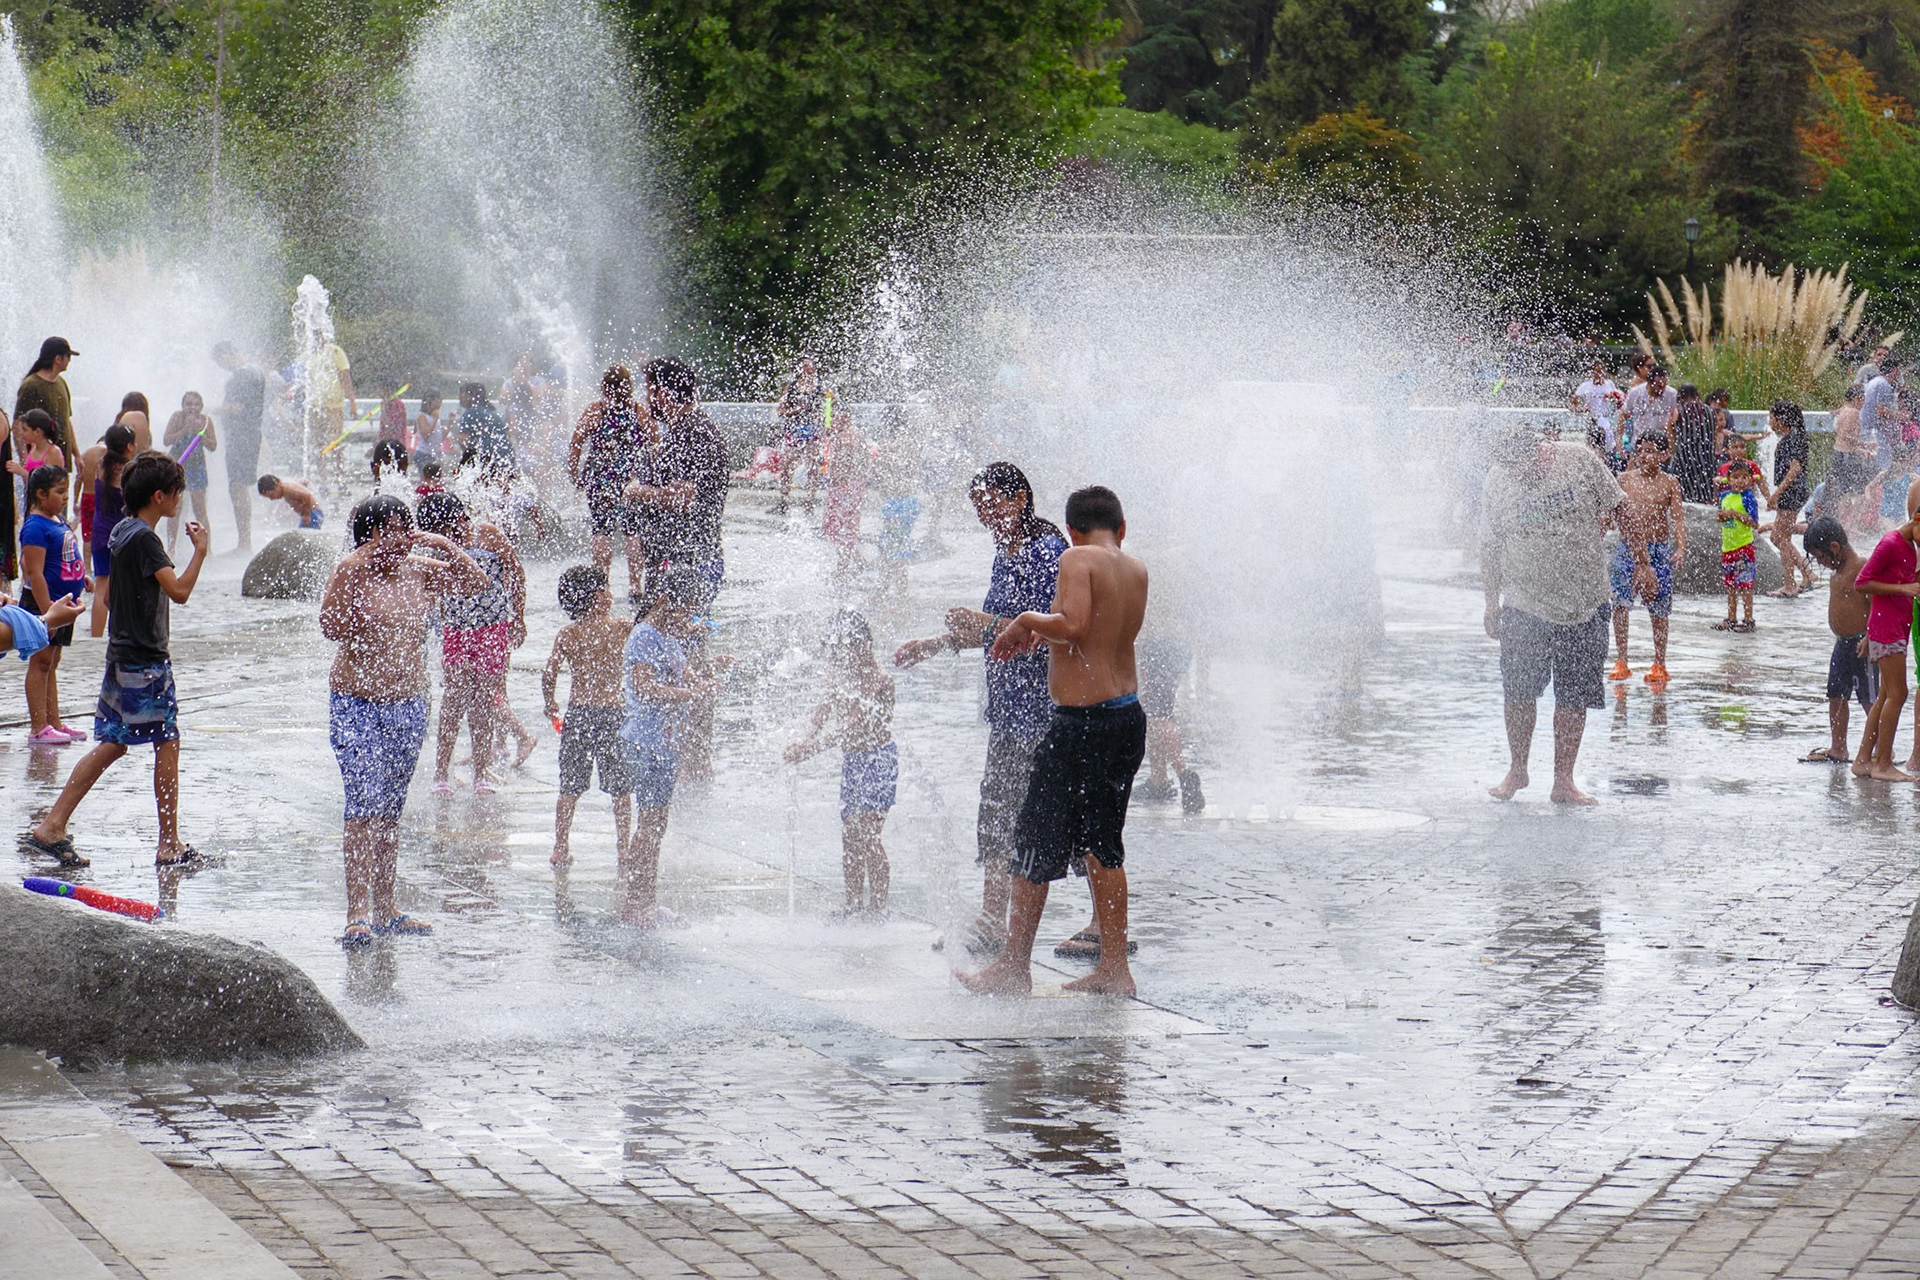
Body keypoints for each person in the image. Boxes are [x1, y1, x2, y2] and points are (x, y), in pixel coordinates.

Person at [959, 485, 1148, 998]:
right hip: (1126, 717)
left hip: (1080, 724)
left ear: (1071, 529)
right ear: (1122, 528)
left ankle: (1013, 966)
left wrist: (1026, 621)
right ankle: (1115, 970)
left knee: (1032, 841)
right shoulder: (1134, 568)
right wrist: (1047, 629)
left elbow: (1077, 626)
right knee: (1103, 846)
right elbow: (1100, 632)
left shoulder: (1075, 557)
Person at [894, 463, 1068, 957]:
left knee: (1041, 818)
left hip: (1043, 710)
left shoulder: (1046, 553)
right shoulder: (1006, 551)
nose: (983, 516)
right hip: (1009, 710)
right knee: (998, 811)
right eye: (977, 508)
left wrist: (984, 620)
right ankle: (993, 918)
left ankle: (1094, 927)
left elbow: (1046, 635)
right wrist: (935, 644)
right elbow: (999, 632)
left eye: (990, 504)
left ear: (1018, 499)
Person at [21, 452, 209, 869]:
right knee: (165, 742)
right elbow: (178, 592)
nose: (178, 501)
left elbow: (107, 597)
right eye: (175, 494)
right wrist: (200, 551)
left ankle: (53, 825)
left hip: (121, 655)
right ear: (159, 496)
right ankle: (168, 844)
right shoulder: (144, 538)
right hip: (145, 660)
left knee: (114, 743)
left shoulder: (122, 531)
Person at [320, 495, 489, 945]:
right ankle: (357, 912)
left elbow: (478, 582)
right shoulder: (350, 571)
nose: (398, 540)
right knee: (361, 806)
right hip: (356, 701)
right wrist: (358, 563)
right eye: (388, 530)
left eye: (404, 529)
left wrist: (441, 544)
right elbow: (330, 626)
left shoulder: (419, 567)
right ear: (367, 535)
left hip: (408, 703)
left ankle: (387, 907)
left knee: (390, 810)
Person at [1483, 421, 1639, 806]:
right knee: (1517, 689)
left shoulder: (1579, 461)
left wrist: (1644, 563)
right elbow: (1489, 545)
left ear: (1539, 450)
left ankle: (1563, 780)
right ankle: (1518, 769)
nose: (1519, 477)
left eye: (1524, 469)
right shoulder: (1499, 478)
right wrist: (1490, 602)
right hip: (1523, 601)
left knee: (1574, 693)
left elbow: (1622, 507)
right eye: (1511, 471)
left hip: (1583, 601)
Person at [628, 357, 730, 780]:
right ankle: (688, 753)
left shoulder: (694, 434)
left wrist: (639, 492)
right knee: (684, 650)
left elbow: (684, 498)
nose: (646, 397)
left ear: (666, 392)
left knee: (690, 650)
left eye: (650, 388)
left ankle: (695, 758)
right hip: (684, 559)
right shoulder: (685, 432)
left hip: (689, 563)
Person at [619, 565, 719, 927]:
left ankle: (648, 901)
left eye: (693, 611)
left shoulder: (671, 638)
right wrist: (691, 693)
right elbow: (644, 688)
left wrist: (708, 675)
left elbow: (686, 679)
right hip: (646, 743)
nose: (688, 619)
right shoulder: (645, 636)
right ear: (663, 602)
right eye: (684, 610)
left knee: (656, 825)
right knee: (648, 825)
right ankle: (636, 905)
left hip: (664, 743)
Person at [784, 609, 897, 919]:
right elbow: (820, 715)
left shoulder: (881, 680)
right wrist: (802, 740)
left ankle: (878, 907)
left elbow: (853, 726)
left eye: (853, 646)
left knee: (869, 834)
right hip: (853, 762)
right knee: (850, 835)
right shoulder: (841, 675)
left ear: (867, 644)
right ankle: (851, 904)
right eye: (843, 647)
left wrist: (809, 751)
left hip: (878, 760)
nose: (848, 654)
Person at [416, 492, 526, 795]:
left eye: (448, 528)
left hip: (492, 627)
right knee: (453, 699)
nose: (446, 535)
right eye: (438, 530)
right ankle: (441, 774)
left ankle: (481, 773)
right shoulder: (436, 544)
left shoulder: (486, 533)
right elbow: (429, 585)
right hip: (455, 628)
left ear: (460, 518)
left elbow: (516, 571)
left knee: (483, 701)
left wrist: (519, 617)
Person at [543, 565, 634, 869]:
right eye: (607, 588)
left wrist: (550, 704)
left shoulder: (568, 634)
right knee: (620, 787)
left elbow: (549, 671)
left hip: (579, 714)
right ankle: (623, 849)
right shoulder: (621, 628)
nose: (611, 594)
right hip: (613, 714)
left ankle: (559, 847)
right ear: (599, 597)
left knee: (569, 786)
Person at [1607, 430, 1685, 684]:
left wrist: (1681, 547)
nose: (1644, 456)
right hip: (1626, 548)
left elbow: (1678, 518)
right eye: (1640, 451)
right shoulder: (1624, 479)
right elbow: (1611, 512)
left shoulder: (1669, 482)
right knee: (1620, 602)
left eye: (1650, 451)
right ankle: (1621, 660)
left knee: (1659, 606)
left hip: (1658, 549)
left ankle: (1660, 663)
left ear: (1663, 455)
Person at [17, 466, 89, 744]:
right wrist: (48, 613)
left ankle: (54, 721)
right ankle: (38, 726)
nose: (64, 498)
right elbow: (34, 572)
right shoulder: (35, 526)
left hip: (62, 605)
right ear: (40, 494)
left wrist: (85, 578)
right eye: (59, 492)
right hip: (45, 606)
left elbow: (66, 555)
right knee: (41, 662)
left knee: (52, 662)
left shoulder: (55, 519)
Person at [1850, 505, 1920, 781]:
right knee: (1898, 694)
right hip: (1887, 627)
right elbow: (1862, 582)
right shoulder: (1891, 542)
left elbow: (1903, 581)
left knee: (1885, 695)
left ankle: (1863, 760)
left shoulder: (1909, 547)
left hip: (1892, 627)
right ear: (1916, 519)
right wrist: (1903, 589)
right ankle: (1882, 764)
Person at [569, 365, 649, 600]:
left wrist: (574, 473)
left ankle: (603, 586)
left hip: (600, 479)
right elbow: (654, 442)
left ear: (604, 387)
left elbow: (576, 441)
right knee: (632, 531)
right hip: (630, 480)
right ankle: (635, 585)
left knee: (601, 530)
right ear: (629, 386)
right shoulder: (639, 411)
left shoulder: (597, 410)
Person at [1803, 518, 1873, 764]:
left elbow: (1875, 606)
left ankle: (1879, 747)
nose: (1820, 563)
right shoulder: (1837, 571)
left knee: (1869, 699)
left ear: (1834, 547)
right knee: (1836, 695)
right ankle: (1839, 747)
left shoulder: (1861, 567)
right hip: (1841, 644)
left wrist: (1870, 636)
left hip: (1863, 646)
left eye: (1820, 557)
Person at [82, 424, 135, 637]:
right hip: (121, 538)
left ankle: (96, 636)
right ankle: (123, 632)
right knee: (125, 586)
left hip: (100, 534)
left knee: (101, 587)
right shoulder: (127, 471)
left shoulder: (101, 465)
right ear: (130, 446)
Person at [213, 342, 266, 554]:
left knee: (237, 486)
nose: (221, 367)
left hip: (242, 436)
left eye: (220, 361)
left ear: (230, 353)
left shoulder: (241, 375)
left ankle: (244, 543)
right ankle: (245, 541)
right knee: (239, 485)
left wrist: (209, 410)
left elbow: (236, 408)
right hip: (250, 434)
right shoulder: (256, 371)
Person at [1763, 401, 1815, 597]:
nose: (1770, 421)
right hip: (1795, 491)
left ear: (1781, 420)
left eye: (1771, 417)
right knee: (1778, 537)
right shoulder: (1793, 437)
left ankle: (1790, 585)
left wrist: (1777, 493)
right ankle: (1807, 573)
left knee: (1781, 538)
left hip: (1792, 491)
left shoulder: (1791, 440)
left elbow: (1795, 469)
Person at [162, 391, 217, 556]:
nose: (192, 407)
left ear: (201, 406)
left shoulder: (206, 421)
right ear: (183, 405)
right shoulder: (177, 418)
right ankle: (171, 548)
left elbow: (213, 446)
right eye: (188, 404)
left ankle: (207, 548)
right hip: (178, 465)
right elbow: (167, 440)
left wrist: (200, 433)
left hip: (197, 467)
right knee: (175, 508)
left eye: (196, 404)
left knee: (200, 508)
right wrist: (186, 430)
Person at [820, 406, 872, 576]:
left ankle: (842, 568)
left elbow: (853, 458)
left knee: (844, 527)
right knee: (835, 527)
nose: (832, 420)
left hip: (848, 485)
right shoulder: (839, 434)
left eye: (835, 417)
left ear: (844, 417)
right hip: (843, 486)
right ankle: (858, 560)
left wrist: (844, 474)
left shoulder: (850, 435)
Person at [15, 337, 79, 473]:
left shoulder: (61, 383)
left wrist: (77, 455)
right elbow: (17, 425)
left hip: (60, 462)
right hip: (39, 465)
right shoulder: (31, 385)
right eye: (68, 356)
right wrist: (24, 460)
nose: (70, 360)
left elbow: (67, 421)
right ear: (58, 359)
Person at [774, 356, 827, 514]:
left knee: (812, 467)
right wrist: (796, 410)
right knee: (786, 466)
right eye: (804, 365)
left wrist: (827, 424)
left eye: (811, 365)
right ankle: (783, 500)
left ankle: (809, 502)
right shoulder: (791, 388)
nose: (807, 368)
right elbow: (781, 410)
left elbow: (830, 404)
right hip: (794, 432)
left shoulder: (820, 388)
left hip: (812, 432)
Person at [1716, 458, 1761, 631]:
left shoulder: (1749, 498)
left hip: (1744, 548)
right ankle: (1731, 618)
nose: (1740, 481)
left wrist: (1734, 514)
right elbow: (1720, 516)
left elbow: (1754, 523)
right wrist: (1722, 516)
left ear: (1750, 479)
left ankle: (1749, 620)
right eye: (1735, 477)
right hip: (1728, 548)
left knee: (1745, 585)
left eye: (1744, 477)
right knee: (1730, 585)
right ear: (1729, 478)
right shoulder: (1724, 496)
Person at [1670, 383, 1718, 504]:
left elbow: (1671, 427)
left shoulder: (1679, 409)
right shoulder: (1708, 410)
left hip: (1685, 455)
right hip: (1706, 455)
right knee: (1706, 488)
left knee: (1686, 494)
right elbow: (1713, 432)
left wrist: (1672, 449)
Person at [1620, 362, 1675, 459]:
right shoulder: (1635, 393)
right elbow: (1623, 415)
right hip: (1639, 446)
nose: (1662, 390)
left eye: (1664, 386)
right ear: (1649, 383)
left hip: (1662, 448)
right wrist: (1619, 441)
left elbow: (1675, 417)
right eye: (1659, 386)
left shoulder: (1671, 394)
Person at [457, 382, 513, 467]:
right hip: (507, 455)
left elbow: (463, 441)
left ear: (469, 396)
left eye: (462, 394)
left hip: (486, 456)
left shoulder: (470, 413)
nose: (460, 397)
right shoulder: (493, 412)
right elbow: (508, 433)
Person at [1864, 355, 1904, 467]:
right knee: (1883, 466)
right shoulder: (1884, 385)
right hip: (1874, 431)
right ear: (1893, 370)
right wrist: (1899, 416)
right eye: (1898, 369)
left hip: (1866, 428)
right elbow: (1880, 411)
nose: (1900, 372)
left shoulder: (1875, 381)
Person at [257, 474, 324, 529]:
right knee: (303, 539)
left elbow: (307, 496)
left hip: (313, 513)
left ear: (276, 485)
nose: (272, 499)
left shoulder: (287, 489)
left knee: (304, 539)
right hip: (312, 513)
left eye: (271, 495)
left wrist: (307, 515)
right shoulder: (284, 486)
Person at [413, 389, 448, 464]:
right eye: (439, 400)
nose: (441, 404)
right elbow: (426, 436)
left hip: (434, 454)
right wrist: (435, 419)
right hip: (424, 454)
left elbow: (440, 438)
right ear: (429, 401)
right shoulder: (422, 416)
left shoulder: (435, 416)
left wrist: (450, 423)